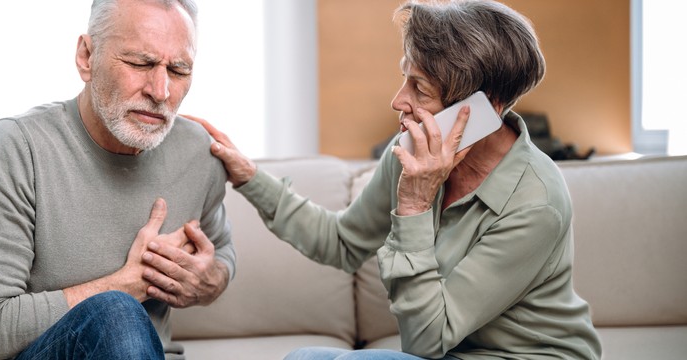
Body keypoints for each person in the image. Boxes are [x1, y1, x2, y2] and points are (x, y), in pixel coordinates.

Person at [189, 0, 601, 359]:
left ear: (481, 110)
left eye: (418, 87)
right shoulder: (409, 151)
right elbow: (342, 243)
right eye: (405, 77)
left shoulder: (535, 201)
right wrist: (249, 176)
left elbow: (426, 339)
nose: (397, 100)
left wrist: (414, 207)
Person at [0, 0, 235, 359]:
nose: (160, 91)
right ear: (87, 57)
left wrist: (210, 281)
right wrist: (128, 284)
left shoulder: (197, 152)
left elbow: (222, 251)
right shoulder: (17, 147)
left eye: (178, 70)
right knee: (114, 313)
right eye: (139, 63)